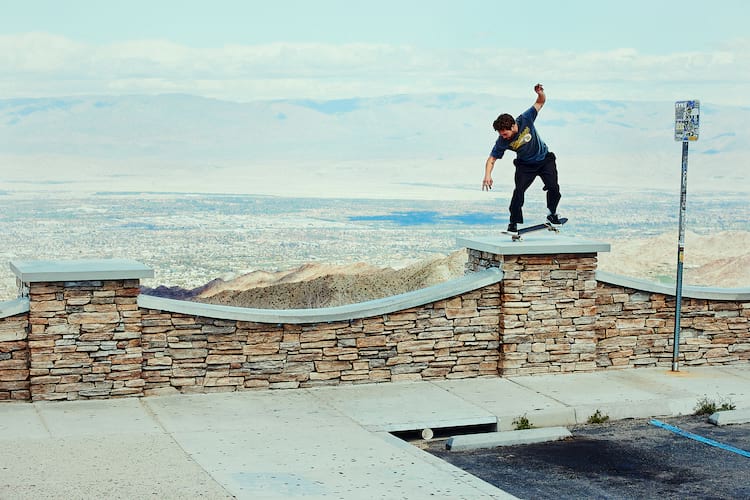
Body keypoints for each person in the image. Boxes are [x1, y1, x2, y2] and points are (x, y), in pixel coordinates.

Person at [482, 83, 563, 233]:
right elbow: (491, 159)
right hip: (525, 166)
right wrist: (487, 175)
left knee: (554, 188)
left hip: (545, 160)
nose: (503, 137)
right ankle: (513, 223)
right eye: (500, 134)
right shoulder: (502, 141)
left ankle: (552, 214)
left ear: (513, 126)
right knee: (518, 192)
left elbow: (540, 102)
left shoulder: (526, 118)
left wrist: (540, 93)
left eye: (505, 134)